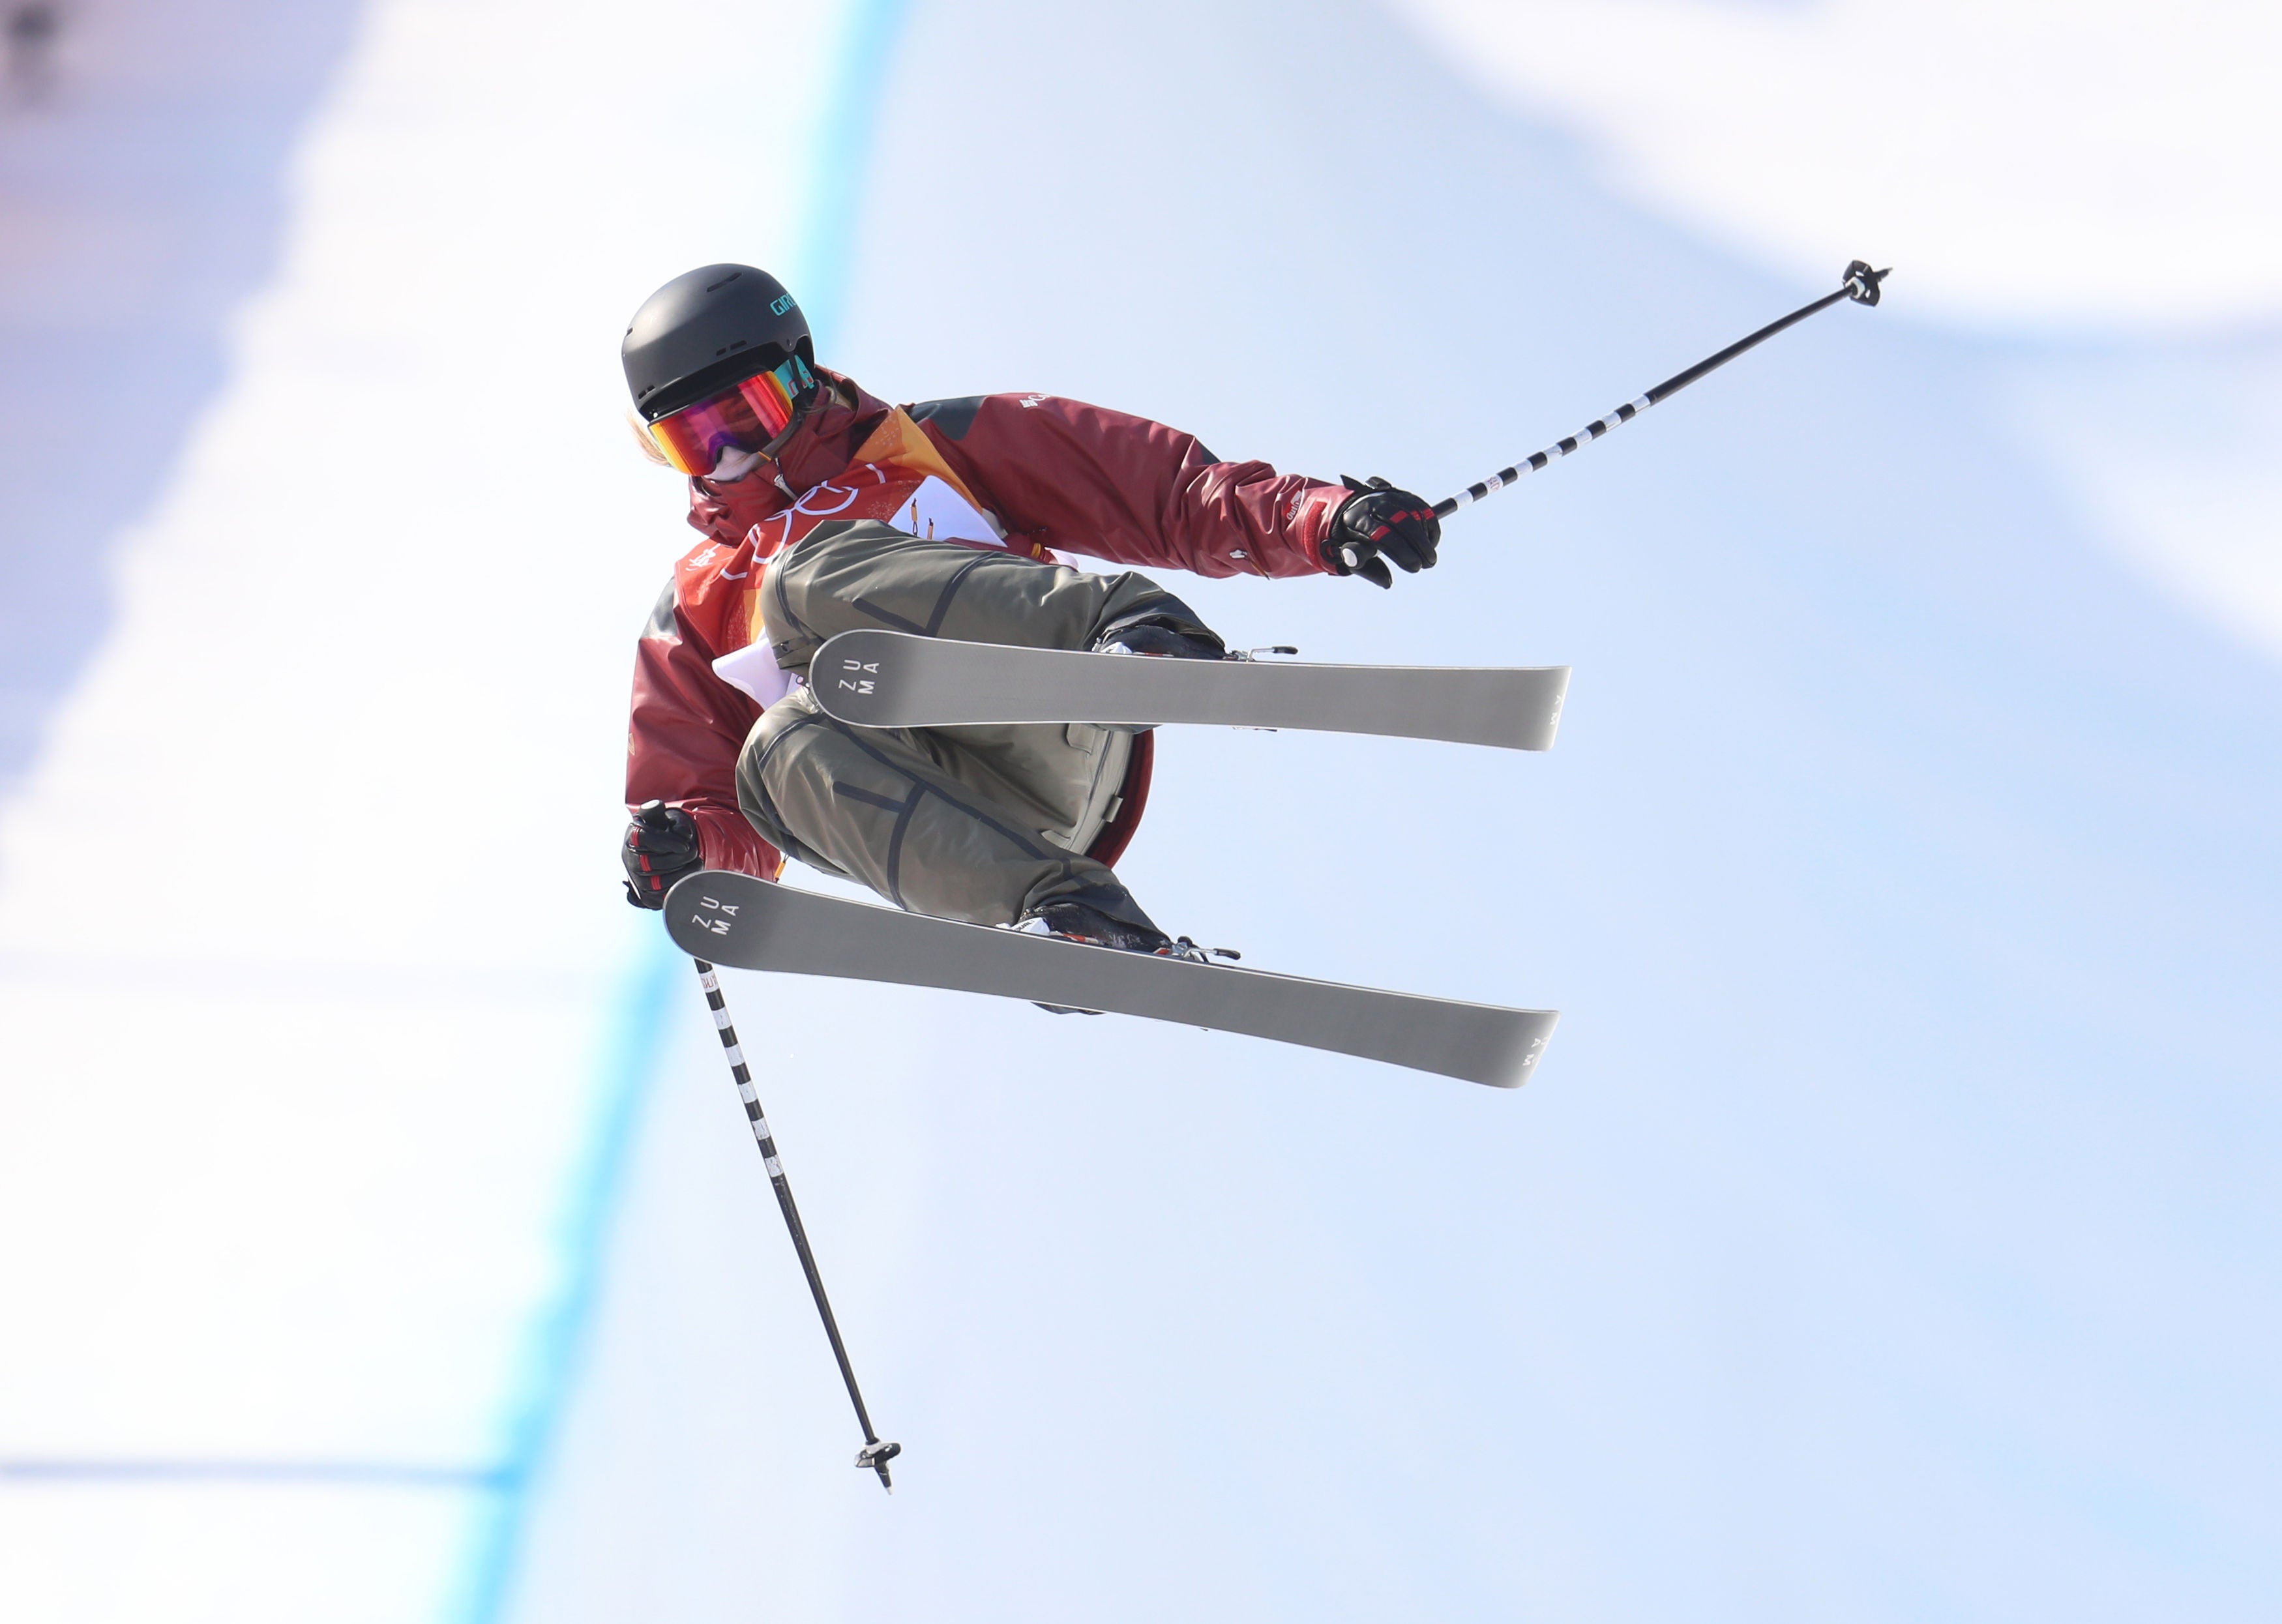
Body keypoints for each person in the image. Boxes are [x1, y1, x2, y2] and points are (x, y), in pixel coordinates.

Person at [619, 263, 1440, 955]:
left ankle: (1127, 648)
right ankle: (1070, 917)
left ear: (799, 374)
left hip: (1056, 713)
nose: (730, 456)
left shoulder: (930, 443)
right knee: (770, 749)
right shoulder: (694, 605)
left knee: (805, 574)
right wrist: (683, 846)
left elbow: (1166, 494)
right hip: (969, 826)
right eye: (693, 442)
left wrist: (1323, 519)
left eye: (746, 416)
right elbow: (721, 814)